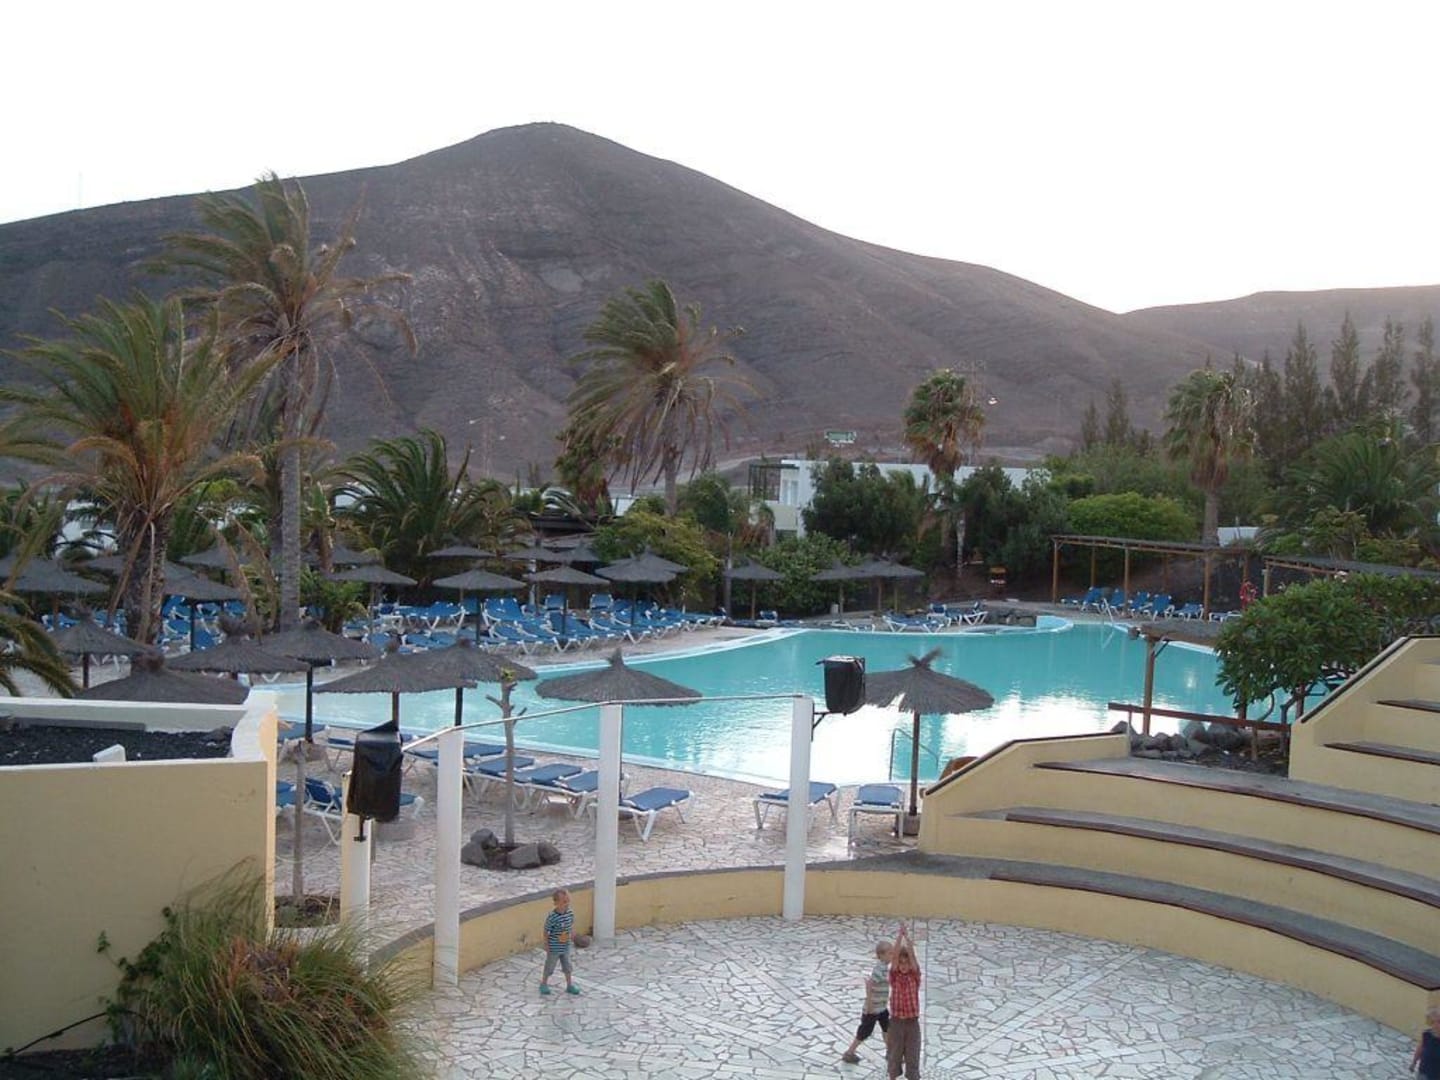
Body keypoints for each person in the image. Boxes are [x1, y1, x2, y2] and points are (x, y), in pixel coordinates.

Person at [841, 938, 893, 1064]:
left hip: (881, 1007)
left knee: (887, 1028)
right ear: (881, 955)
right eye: (890, 953)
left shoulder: (885, 967)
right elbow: (870, 986)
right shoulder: (879, 969)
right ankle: (850, 1052)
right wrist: (869, 1004)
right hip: (873, 1008)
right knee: (865, 1031)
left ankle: (890, 1052)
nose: (892, 956)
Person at [887, 923, 922, 1080]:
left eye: (905, 962)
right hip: (896, 1022)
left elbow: (913, 957)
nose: (903, 965)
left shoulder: (915, 976)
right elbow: (894, 956)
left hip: (912, 1022)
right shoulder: (894, 976)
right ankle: (893, 1077)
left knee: (913, 1054)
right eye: (901, 963)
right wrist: (899, 937)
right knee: (894, 1055)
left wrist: (907, 939)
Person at [539, 888, 580, 996]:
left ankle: (569, 985)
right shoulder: (552, 917)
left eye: (568, 901)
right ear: (556, 903)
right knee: (550, 966)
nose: (567, 904)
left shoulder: (570, 913)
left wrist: (572, 934)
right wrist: (546, 944)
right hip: (554, 947)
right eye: (564, 902)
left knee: (567, 966)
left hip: (565, 946)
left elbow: (570, 926)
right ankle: (544, 983)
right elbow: (546, 931)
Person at [1414, 1005, 1440, 1078]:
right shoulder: (1426, 1034)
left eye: (1439, 1022)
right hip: (1423, 1071)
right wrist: (1414, 1063)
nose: (1435, 1025)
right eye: (1433, 1022)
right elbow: (1420, 1049)